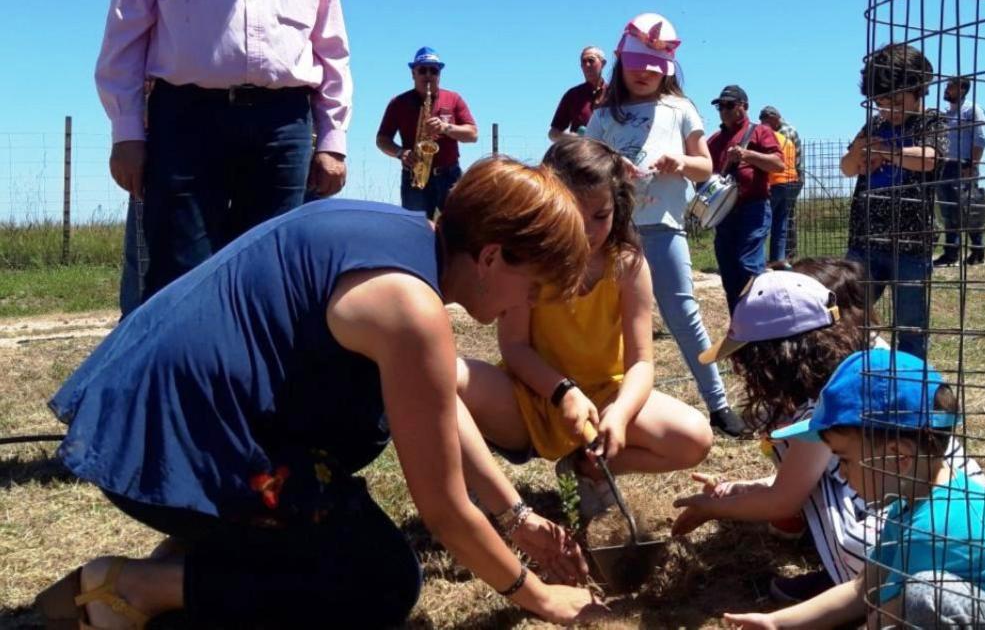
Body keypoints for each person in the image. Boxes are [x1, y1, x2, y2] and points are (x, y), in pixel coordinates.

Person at [36, 158, 604, 629]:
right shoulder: (409, 306)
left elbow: (438, 402)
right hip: (170, 449)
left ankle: (205, 553)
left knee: (349, 545)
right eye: (531, 289)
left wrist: (516, 515)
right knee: (375, 582)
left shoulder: (401, 238)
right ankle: (136, 589)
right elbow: (446, 512)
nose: (525, 308)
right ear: (490, 256)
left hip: (158, 418)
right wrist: (539, 597)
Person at [96, 0, 352, 306]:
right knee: (181, 271)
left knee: (273, 271)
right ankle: (186, 381)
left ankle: (261, 384)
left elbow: (332, 49)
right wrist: (128, 132)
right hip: (187, 120)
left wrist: (333, 140)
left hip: (284, 128)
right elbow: (125, 37)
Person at [673, 261, 982, 605]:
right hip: (960, 502)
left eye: (749, 360)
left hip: (920, 540)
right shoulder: (871, 358)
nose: (744, 371)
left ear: (778, 356)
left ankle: (851, 585)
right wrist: (735, 491)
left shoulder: (824, 406)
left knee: (853, 536)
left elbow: (785, 498)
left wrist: (713, 508)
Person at [723, 350, 985, 629]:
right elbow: (862, 591)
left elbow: (883, 618)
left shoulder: (933, 525)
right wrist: (778, 624)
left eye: (845, 460)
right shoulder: (914, 504)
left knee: (925, 598)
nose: (842, 474)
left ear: (898, 456)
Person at [457, 136, 713, 517]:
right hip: (532, 397)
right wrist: (562, 391)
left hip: (604, 396)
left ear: (618, 207)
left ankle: (587, 469)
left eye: (601, 216)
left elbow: (642, 361)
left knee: (695, 437)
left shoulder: (628, 265)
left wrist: (622, 413)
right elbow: (515, 347)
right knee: (451, 378)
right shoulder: (527, 261)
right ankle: (474, 491)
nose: (589, 230)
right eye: (575, 214)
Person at [585, 13, 746, 438]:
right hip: (612, 233)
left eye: (654, 69)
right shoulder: (604, 114)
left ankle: (719, 404)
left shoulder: (680, 109)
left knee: (684, 316)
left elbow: (704, 166)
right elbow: (586, 166)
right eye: (636, 65)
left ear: (668, 71)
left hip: (663, 229)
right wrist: (609, 166)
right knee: (608, 319)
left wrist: (680, 162)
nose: (643, 74)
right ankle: (610, 405)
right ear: (621, 62)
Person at [840, 44, 947, 359]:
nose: (887, 111)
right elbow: (847, 168)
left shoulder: (930, 122)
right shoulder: (873, 126)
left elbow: (929, 158)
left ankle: (912, 388)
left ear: (918, 91)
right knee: (848, 316)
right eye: (880, 104)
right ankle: (855, 376)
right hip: (865, 240)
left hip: (911, 245)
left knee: (911, 327)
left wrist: (884, 151)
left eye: (896, 103)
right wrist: (860, 152)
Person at [376, 46, 478, 219]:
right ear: (413, 74)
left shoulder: (454, 98)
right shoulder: (398, 103)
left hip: (449, 176)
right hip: (414, 176)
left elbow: (473, 134)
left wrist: (446, 128)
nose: (428, 75)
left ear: (439, 74)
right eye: (422, 70)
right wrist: (401, 153)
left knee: (459, 228)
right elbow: (382, 140)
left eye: (434, 70)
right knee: (415, 230)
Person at [708, 85, 784, 313]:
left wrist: (748, 155)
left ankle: (761, 316)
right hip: (724, 213)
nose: (724, 110)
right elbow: (706, 174)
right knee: (729, 269)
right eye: (720, 106)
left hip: (754, 207)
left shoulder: (761, 132)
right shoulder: (714, 141)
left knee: (748, 264)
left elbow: (778, 164)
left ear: (744, 107)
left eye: (730, 105)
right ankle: (739, 325)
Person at [933, 75, 985, 267]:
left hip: (963, 165)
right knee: (949, 211)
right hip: (945, 166)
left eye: (950, 86)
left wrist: (971, 165)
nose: (946, 89)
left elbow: (980, 139)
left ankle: (978, 251)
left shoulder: (972, 110)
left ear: (962, 89)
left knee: (970, 208)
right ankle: (951, 253)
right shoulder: (946, 114)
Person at [760, 106, 803, 264]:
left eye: (764, 122)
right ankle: (779, 262)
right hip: (790, 181)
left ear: (774, 119)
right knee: (782, 225)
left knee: (763, 223)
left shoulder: (775, 136)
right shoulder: (787, 139)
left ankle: (761, 262)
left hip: (775, 182)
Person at [549, 46, 608, 140]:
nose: (587, 65)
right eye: (583, 62)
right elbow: (553, 133)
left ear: (603, 63)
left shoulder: (614, 93)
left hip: (609, 152)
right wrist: (574, 138)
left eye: (591, 60)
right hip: (582, 152)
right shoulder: (572, 95)